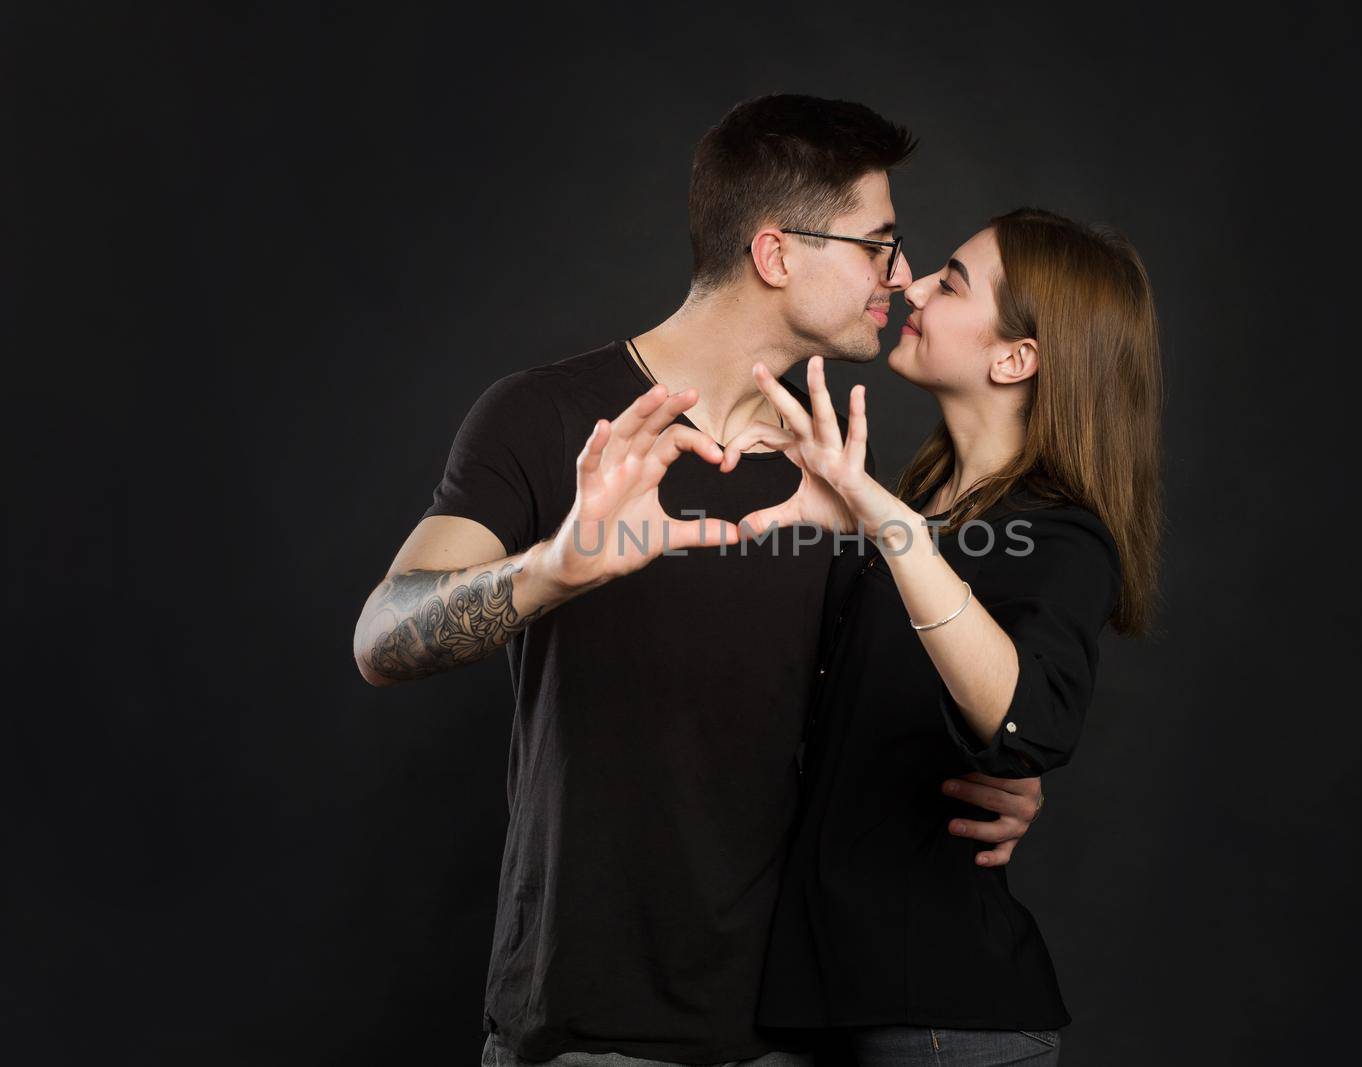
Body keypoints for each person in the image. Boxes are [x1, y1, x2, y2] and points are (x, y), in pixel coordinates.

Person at [350, 94, 1047, 1067]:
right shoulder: (543, 417)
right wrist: (554, 568)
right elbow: (384, 633)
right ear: (775, 255)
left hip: (789, 1024)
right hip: (587, 1024)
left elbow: (857, 710)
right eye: (876, 245)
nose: (900, 275)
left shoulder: (827, 465)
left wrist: (988, 778)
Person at [717, 209, 1164, 1065]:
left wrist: (883, 526)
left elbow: (1030, 721)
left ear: (1015, 358)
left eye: (951, 281)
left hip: (941, 1020)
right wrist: (852, 529)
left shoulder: (1059, 538)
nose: (911, 285)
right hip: (818, 998)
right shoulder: (919, 511)